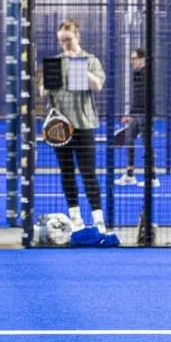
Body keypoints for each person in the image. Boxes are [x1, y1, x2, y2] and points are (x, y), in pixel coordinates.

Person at [43, 19, 107, 233]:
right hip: (60, 127)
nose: (65, 45)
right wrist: (43, 83)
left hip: (83, 124)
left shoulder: (90, 60)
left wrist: (76, 63)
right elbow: (45, 92)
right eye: (61, 41)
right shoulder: (54, 62)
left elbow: (97, 85)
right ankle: (75, 218)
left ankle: (98, 220)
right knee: (66, 172)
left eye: (68, 40)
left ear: (77, 37)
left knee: (88, 172)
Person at [116, 48, 160, 187]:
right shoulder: (138, 74)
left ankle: (152, 178)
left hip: (145, 114)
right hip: (137, 114)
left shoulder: (146, 74)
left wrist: (132, 114)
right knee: (129, 139)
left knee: (147, 145)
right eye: (131, 58)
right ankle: (130, 174)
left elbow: (144, 98)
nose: (132, 61)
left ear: (142, 59)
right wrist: (131, 113)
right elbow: (137, 98)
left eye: (134, 58)